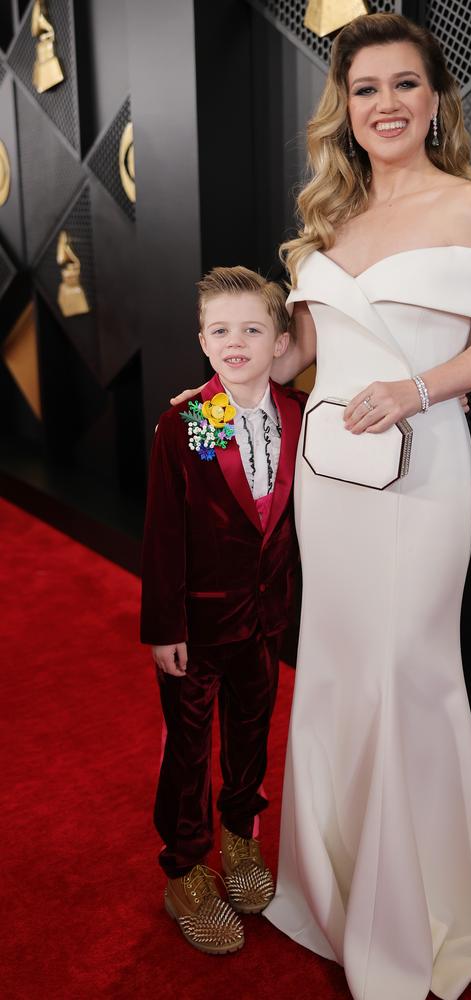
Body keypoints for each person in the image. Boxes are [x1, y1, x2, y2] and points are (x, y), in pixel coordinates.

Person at [260, 13, 471, 1000]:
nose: (383, 104)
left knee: (403, 668)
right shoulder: (326, 213)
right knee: (337, 667)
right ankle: (334, 893)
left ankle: (422, 908)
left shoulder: (467, 206)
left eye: (403, 85)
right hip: (328, 477)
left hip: (421, 471)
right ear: (343, 105)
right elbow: (301, 358)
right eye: (365, 87)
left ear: (433, 101)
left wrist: (416, 389)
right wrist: (228, 380)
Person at [141, 266, 306, 955]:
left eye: (251, 329)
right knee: (188, 751)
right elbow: (163, 535)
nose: (235, 342)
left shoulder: (303, 415)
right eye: (220, 331)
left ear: (280, 341)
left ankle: (240, 837)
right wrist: (164, 629)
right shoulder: (187, 423)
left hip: (265, 622)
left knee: (251, 733)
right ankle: (183, 869)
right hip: (197, 629)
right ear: (202, 341)